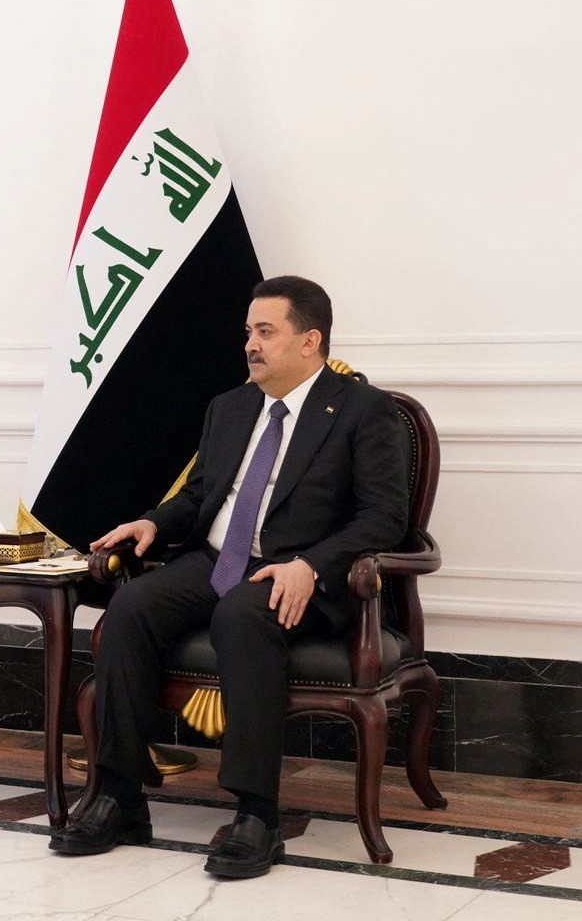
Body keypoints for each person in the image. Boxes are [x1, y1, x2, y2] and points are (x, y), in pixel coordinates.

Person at [49, 276, 408, 879]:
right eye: (248, 332)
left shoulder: (362, 410)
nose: (250, 344)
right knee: (130, 609)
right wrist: (151, 522)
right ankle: (119, 798)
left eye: (265, 332)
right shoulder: (231, 407)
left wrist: (312, 565)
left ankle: (256, 816)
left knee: (242, 613)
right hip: (217, 559)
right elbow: (200, 497)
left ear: (309, 340)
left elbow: (384, 517)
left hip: (295, 572)